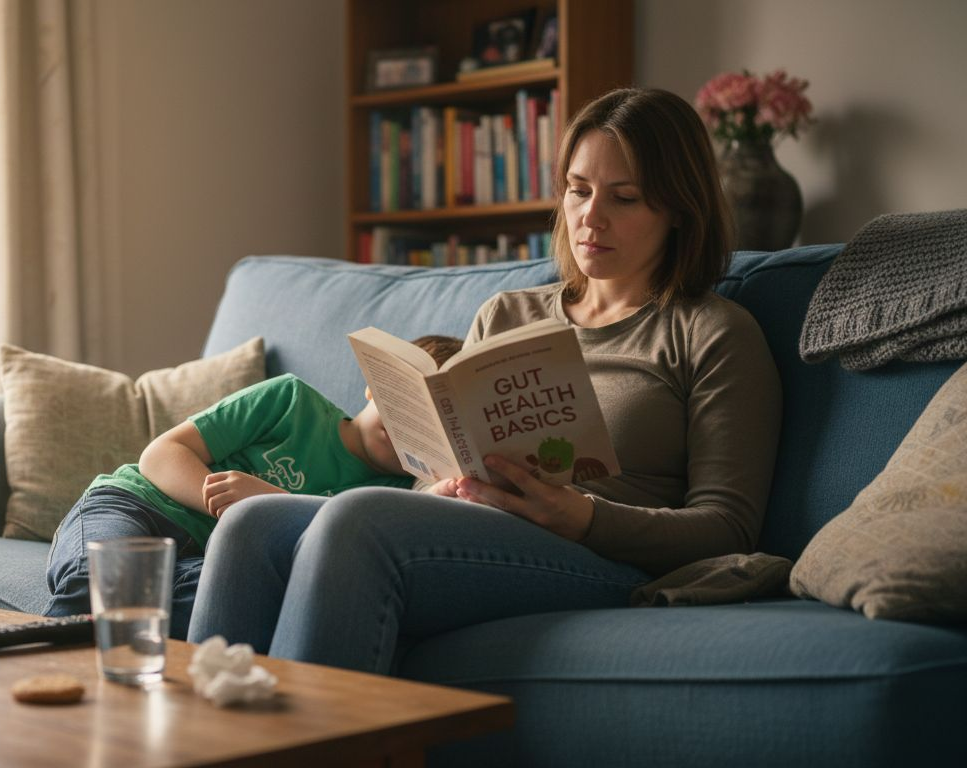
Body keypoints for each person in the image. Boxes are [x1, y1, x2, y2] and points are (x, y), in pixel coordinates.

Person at [186, 87, 784, 674]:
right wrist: (438, 490)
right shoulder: (507, 315)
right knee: (251, 522)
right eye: (577, 191)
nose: (589, 217)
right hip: (477, 528)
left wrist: (585, 517)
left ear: (678, 209)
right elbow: (433, 473)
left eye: (623, 198)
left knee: (356, 520)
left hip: (603, 557)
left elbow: (727, 527)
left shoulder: (712, 333)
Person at [44, 335, 464, 638]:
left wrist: (270, 504)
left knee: (234, 606)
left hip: (212, 558)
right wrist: (230, 502)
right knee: (103, 579)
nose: (405, 430)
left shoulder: (390, 496)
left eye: (428, 427)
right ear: (375, 387)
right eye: (405, 405)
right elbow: (161, 455)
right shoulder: (291, 401)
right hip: (138, 504)